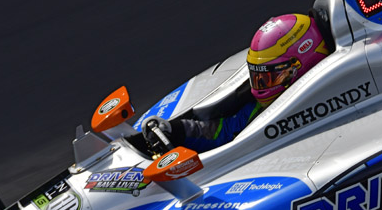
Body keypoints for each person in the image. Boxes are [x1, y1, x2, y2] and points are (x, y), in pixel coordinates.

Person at [142, 13, 331, 152]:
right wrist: (175, 129)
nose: (260, 86)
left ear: (302, 63)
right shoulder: (257, 110)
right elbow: (224, 132)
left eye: (270, 77)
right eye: (258, 77)